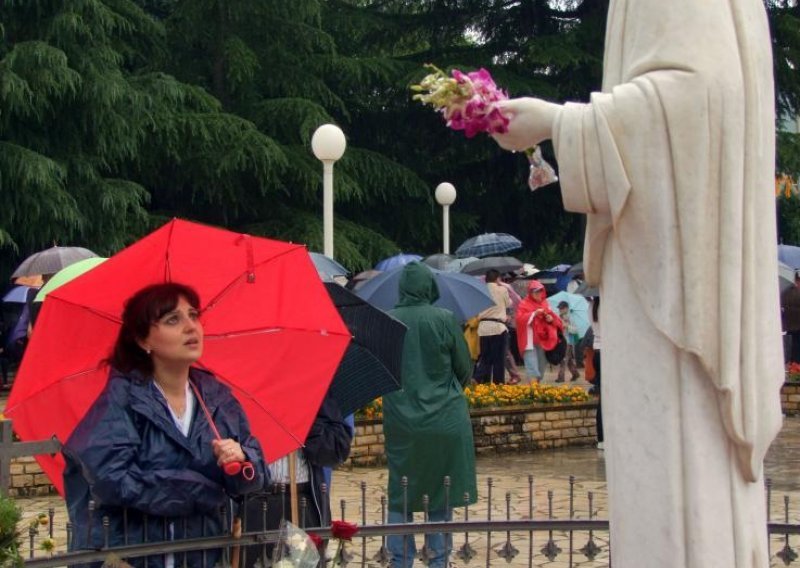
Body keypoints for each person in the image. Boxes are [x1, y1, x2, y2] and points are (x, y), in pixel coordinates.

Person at [491, 1, 784, 565]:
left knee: (676, 472)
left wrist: (558, 120)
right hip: (654, 264)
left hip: (669, 279)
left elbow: (700, 97)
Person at [62, 283, 266, 568]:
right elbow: (110, 479)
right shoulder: (122, 399)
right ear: (143, 339)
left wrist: (243, 459)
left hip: (200, 555)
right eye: (173, 320)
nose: (190, 327)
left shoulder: (217, 399)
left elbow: (251, 478)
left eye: (193, 315)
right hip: (133, 556)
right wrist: (197, 490)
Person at [384, 262, 477, 568]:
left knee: (402, 490)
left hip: (402, 421)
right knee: (442, 489)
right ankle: (438, 560)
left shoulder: (389, 321)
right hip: (445, 419)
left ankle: (401, 560)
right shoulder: (445, 319)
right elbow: (464, 369)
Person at [242, 392, 353, 568]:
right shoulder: (238, 386)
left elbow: (336, 450)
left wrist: (303, 418)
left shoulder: (311, 388)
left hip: (301, 503)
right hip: (252, 506)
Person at [514, 280, 561, 383]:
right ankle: (534, 390)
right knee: (532, 367)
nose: (538, 293)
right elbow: (519, 319)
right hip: (529, 341)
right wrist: (534, 314)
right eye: (535, 291)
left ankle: (535, 387)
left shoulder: (545, 303)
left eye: (540, 291)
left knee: (541, 367)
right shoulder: (524, 304)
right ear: (530, 292)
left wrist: (550, 319)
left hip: (542, 341)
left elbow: (555, 320)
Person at [473, 269, 511, 384]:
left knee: (486, 357)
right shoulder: (502, 289)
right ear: (497, 278)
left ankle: (481, 380)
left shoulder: (480, 291)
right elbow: (508, 303)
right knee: (499, 360)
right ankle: (497, 384)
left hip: (483, 328)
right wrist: (501, 285)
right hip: (498, 327)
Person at [589, 297, 603, 449]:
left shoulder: (591, 305)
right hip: (606, 352)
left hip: (597, 352)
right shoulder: (606, 303)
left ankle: (601, 438)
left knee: (602, 398)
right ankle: (604, 437)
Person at [555, 301, 580, 383]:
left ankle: (561, 377)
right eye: (559, 308)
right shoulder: (558, 317)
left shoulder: (571, 317)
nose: (560, 310)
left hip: (568, 342)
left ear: (566, 308)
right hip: (561, 341)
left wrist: (567, 326)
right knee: (568, 360)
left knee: (564, 359)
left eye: (562, 308)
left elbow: (576, 330)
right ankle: (575, 374)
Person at [782, 271, 800, 363]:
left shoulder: (785, 292)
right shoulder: (798, 293)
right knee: (796, 350)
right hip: (797, 326)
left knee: (792, 349)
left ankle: (793, 367)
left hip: (789, 326)